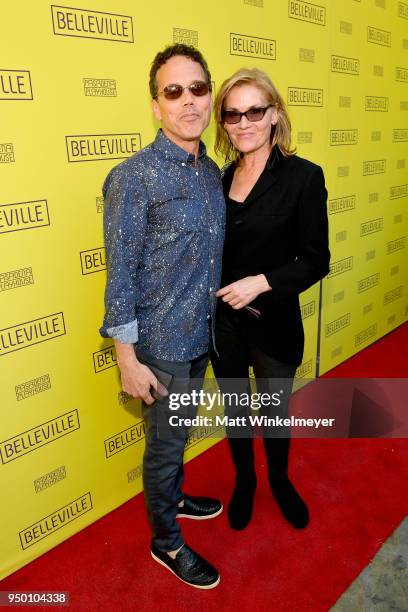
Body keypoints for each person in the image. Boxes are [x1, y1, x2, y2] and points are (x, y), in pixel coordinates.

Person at [99, 44, 225, 589]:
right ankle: (166, 541)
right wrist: (126, 356)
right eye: (173, 91)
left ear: (209, 94)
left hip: (203, 338)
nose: (188, 101)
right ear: (156, 105)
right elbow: (120, 274)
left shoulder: (211, 170)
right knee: (166, 445)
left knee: (176, 440)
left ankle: (174, 497)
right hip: (160, 347)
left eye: (197, 88)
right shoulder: (134, 177)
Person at [211, 68, 330, 531]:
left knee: (274, 409)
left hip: (275, 322)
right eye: (233, 114)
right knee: (238, 410)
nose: (244, 122)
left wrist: (262, 281)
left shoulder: (304, 177)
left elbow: (315, 260)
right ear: (222, 123)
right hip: (224, 326)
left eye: (255, 111)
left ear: (274, 114)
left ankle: (279, 479)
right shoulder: (219, 180)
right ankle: (245, 481)